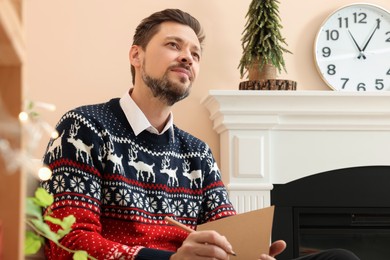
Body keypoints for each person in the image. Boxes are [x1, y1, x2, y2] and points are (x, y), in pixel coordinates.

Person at [41, 8, 360, 260]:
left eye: (195, 53)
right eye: (173, 45)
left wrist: (246, 252)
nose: (187, 57)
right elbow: (67, 243)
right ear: (136, 56)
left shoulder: (197, 151)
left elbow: (229, 232)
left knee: (339, 257)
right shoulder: (83, 127)